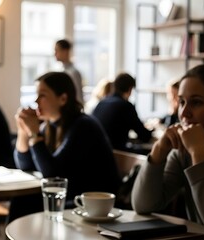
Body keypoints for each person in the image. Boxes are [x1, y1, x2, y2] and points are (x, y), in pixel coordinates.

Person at [131, 63, 204, 239]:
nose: (184, 113)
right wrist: (159, 151)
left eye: (196, 102)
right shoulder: (185, 149)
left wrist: (199, 152)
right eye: (182, 102)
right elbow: (143, 205)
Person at [9, 71, 121, 222]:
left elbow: (53, 175)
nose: (36, 101)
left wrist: (35, 135)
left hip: (90, 202)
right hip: (71, 195)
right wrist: (24, 131)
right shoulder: (49, 126)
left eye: (42, 95)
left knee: (24, 203)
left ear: (62, 99)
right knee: (21, 200)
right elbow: (25, 165)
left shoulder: (83, 126)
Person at [91, 72, 153, 154]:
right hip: (114, 154)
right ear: (130, 89)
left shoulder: (102, 103)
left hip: (95, 152)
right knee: (153, 152)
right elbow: (144, 136)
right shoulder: (126, 106)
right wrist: (152, 129)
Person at [54, 39, 84, 104]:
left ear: (65, 51)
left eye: (57, 50)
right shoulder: (60, 71)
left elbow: (78, 97)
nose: (55, 53)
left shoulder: (73, 73)